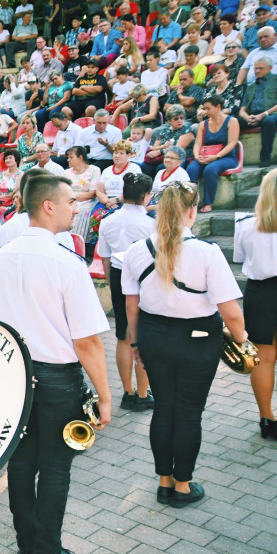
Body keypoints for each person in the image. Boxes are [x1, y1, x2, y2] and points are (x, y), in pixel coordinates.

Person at [0, 171, 111, 554]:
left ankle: (28, 548)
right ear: (48, 205)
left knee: (21, 465)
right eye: (71, 201)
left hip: (14, 374)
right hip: (56, 378)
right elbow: (87, 341)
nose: (77, 208)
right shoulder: (66, 262)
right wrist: (106, 396)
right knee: (55, 467)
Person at [122, 181, 245, 508]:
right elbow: (230, 311)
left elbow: (131, 307)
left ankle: (164, 483)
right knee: (189, 414)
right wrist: (243, 342)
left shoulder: (136, 251)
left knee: (164, 409)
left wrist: (136, 346)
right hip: (198, 340)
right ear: (191, 212)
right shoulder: (208, 253)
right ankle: (183, 486)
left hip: (152, 337)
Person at [96, 174, 155, 412]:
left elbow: (106, 258)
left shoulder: (108, 220)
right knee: (142, 334)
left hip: (119, 275)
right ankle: (142, 393)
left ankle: (128, 391)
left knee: (123, 335)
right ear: (145, 196)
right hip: (143, 276)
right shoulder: (151, 223)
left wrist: (112, 283)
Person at [234, 168, 277, 440]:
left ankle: (266, 418)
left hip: (260, 292)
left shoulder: (246, 223)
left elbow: (240, 258)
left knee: (263, 358)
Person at [186, 95, 240, 212]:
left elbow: (232, 143)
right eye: (204, 109)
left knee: (210, 169)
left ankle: (208, 202)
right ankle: (191, 202)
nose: (205, 111)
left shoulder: (232, 121)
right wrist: (197, 156)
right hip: (205, 155)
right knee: (191, 169)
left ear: (218, 107)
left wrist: (216, 156)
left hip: (225, 156)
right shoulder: (203, 124)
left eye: (208, 108)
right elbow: (197, 144)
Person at [238, 58, 277, 166]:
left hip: (274, 114)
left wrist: (263, 115)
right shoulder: (251, 86)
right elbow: (242, 110)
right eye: (255, 68)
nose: (257, 71)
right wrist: (246, 117)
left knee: (268, 122)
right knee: (233, 122)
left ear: (270, 68)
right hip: (254, 115)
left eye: (261, 68)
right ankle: (232, 156)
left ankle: (265, 158)